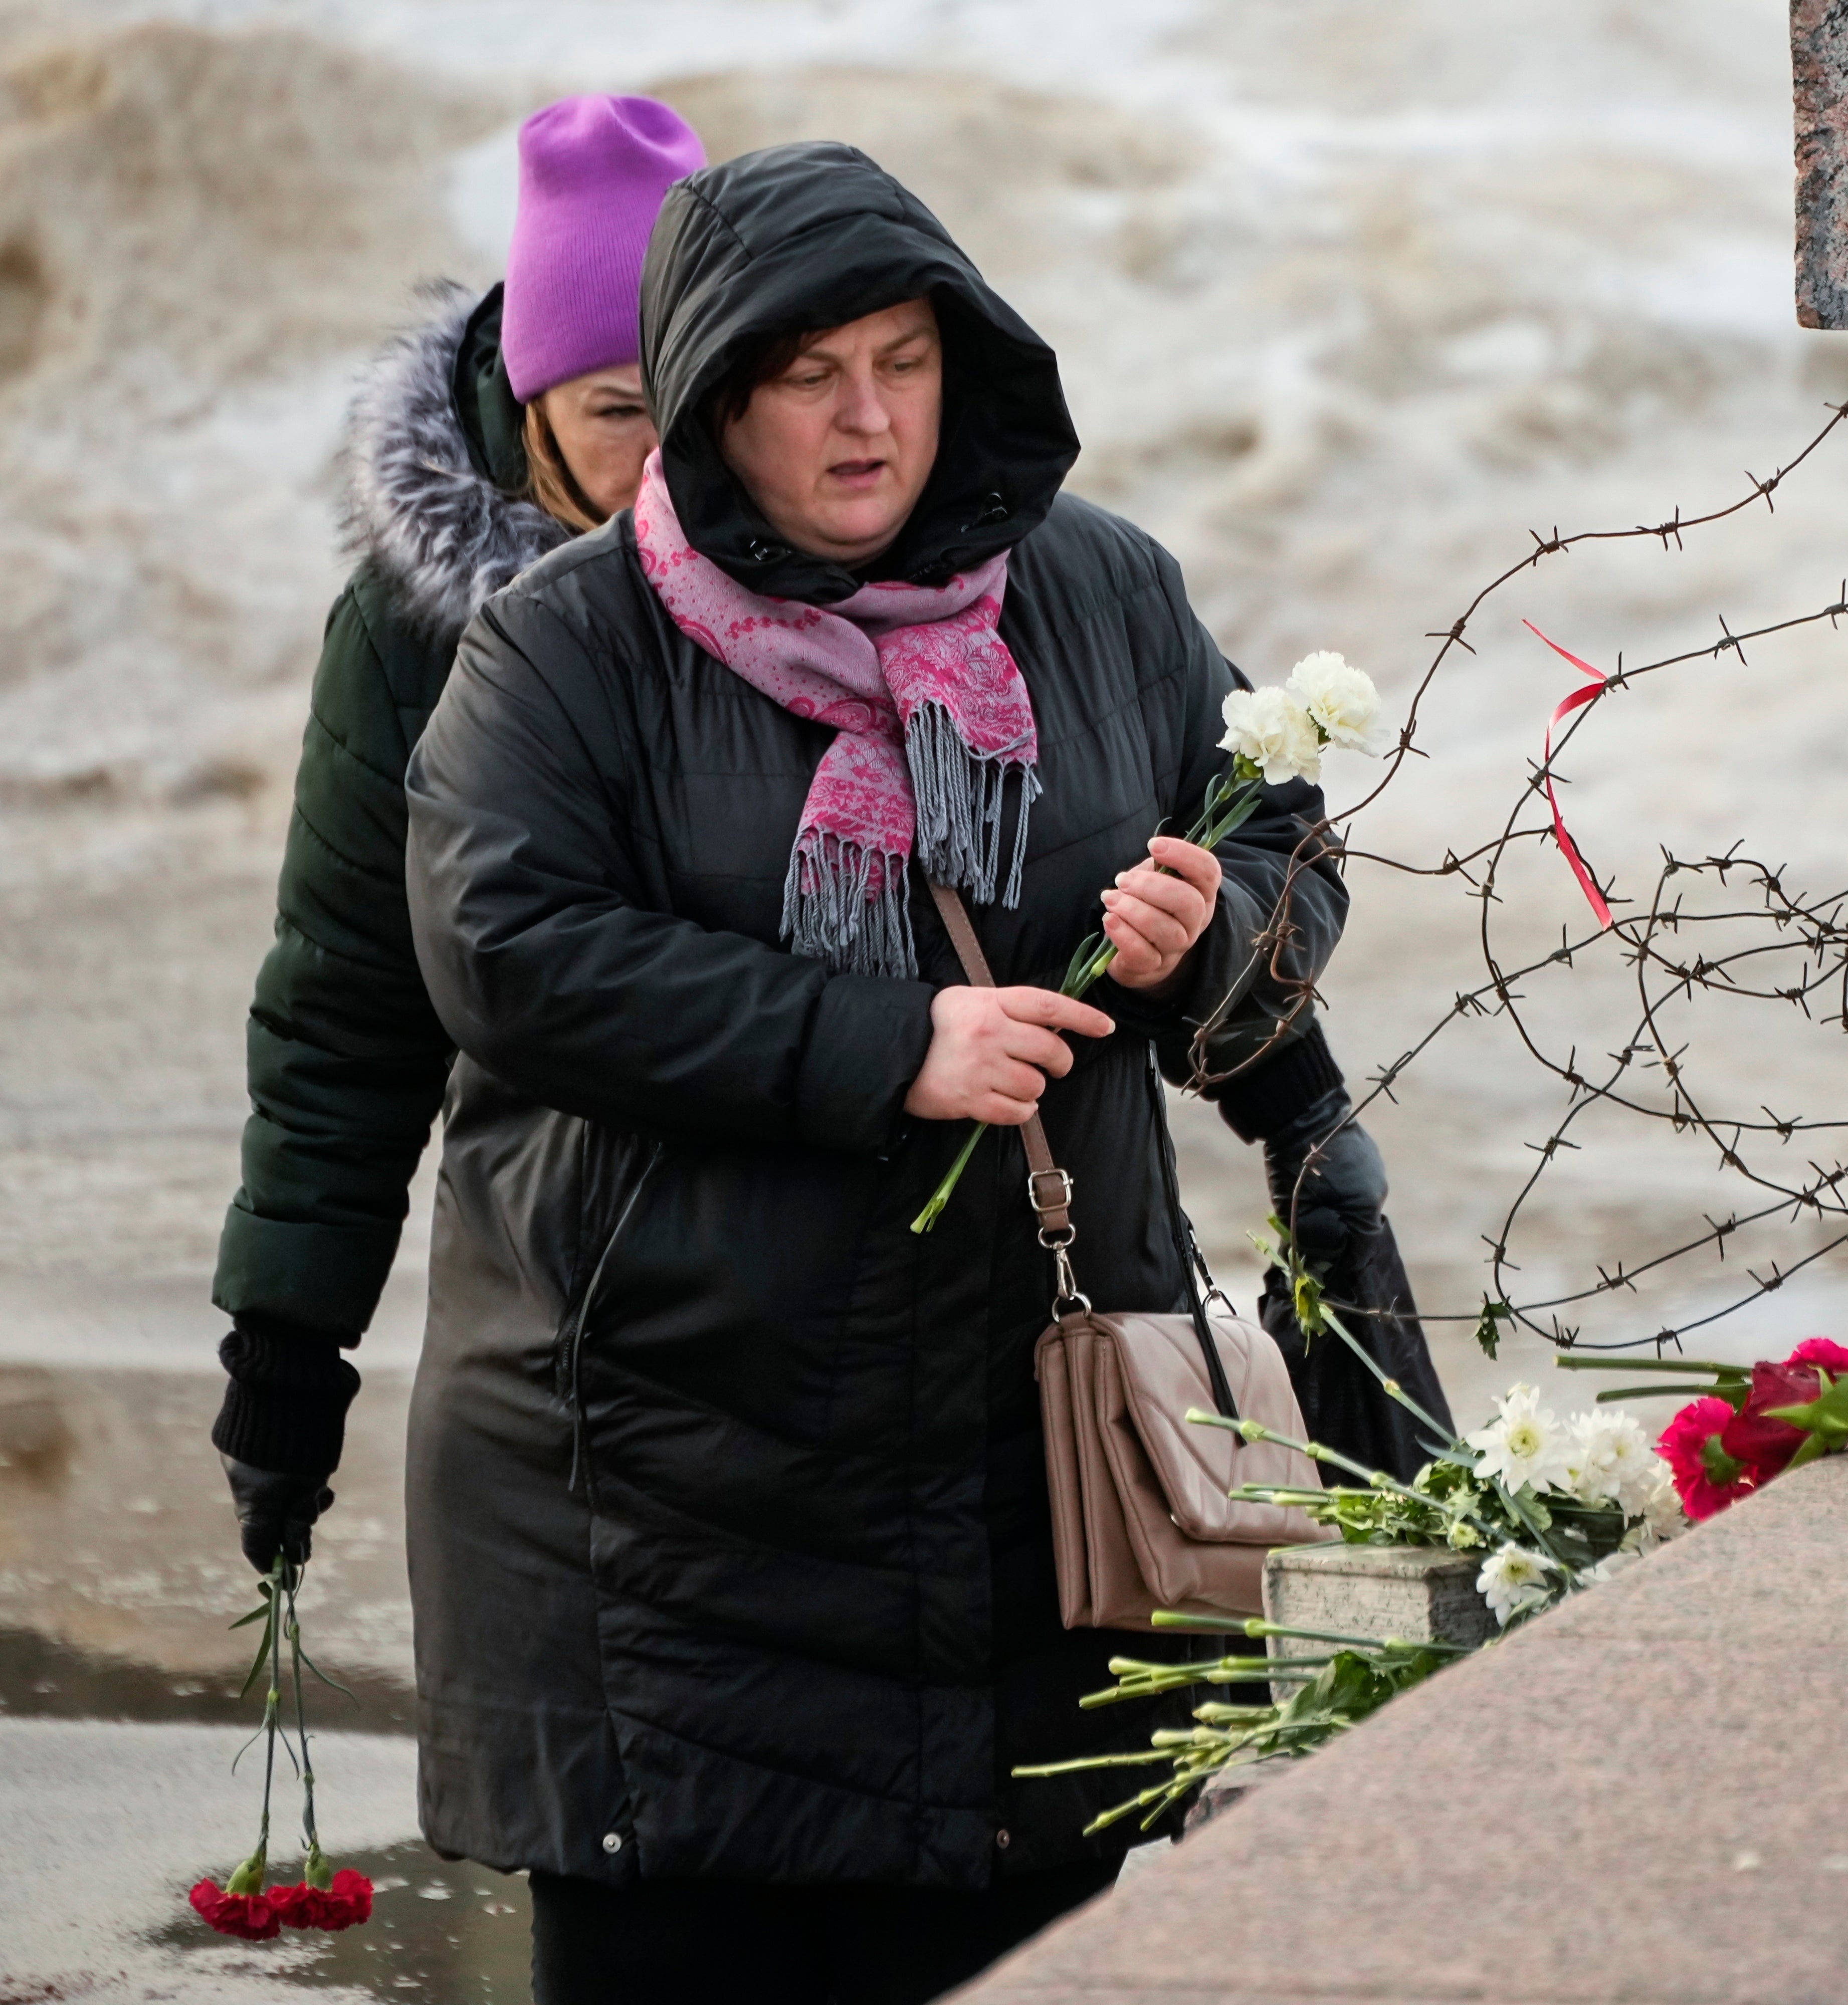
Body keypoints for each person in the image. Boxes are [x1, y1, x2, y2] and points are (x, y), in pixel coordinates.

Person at [398, 142, 1346, 2002]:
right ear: (708, 395)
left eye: (904, 362)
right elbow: (502, 954)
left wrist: (1210, 928)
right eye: (807, 373)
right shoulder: (568, 645)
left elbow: (1288, 846)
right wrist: (885, 1044)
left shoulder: (1102, 593)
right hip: (669, 1511)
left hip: (1036, 1495)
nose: (868, 418)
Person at [209, 94, 706, 1569]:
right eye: (619, 412)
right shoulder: (415, 632)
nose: (667, 459)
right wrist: (289, 1342)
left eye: (696, 395)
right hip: (551, 1279)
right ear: (527, 394)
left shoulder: (813, 562)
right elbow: (348, 995)